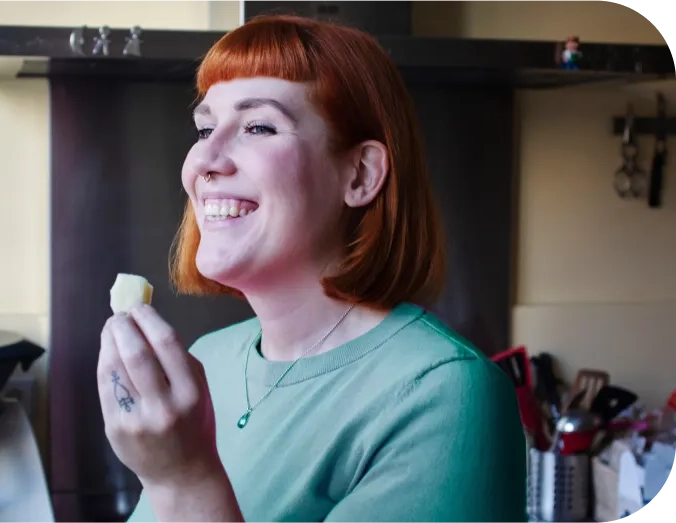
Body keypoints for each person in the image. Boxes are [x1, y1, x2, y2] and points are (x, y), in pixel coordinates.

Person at [94, 15, 528, 523]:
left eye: (258, 126)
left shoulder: (446, 394)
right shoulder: (205, 361)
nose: (204, 159)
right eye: (206, 128)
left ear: (360, 174)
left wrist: (181, 479)